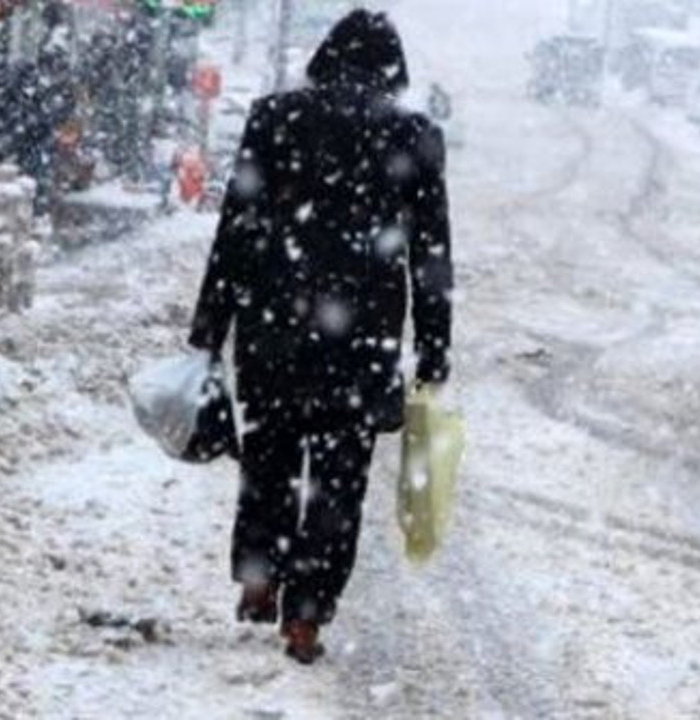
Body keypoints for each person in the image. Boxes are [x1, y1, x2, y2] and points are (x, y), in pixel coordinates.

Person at [188, 9, 453, 664]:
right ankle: (305, 615)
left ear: (324, 58)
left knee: (270, 456)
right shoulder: (414, 135)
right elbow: (431, 252)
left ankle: (259, 573)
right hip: (362, 340)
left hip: (276, 323)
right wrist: (435, 345)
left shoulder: (276, 118)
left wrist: (210, 324)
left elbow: (238, 227)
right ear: (393, 70)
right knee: (337, 482)